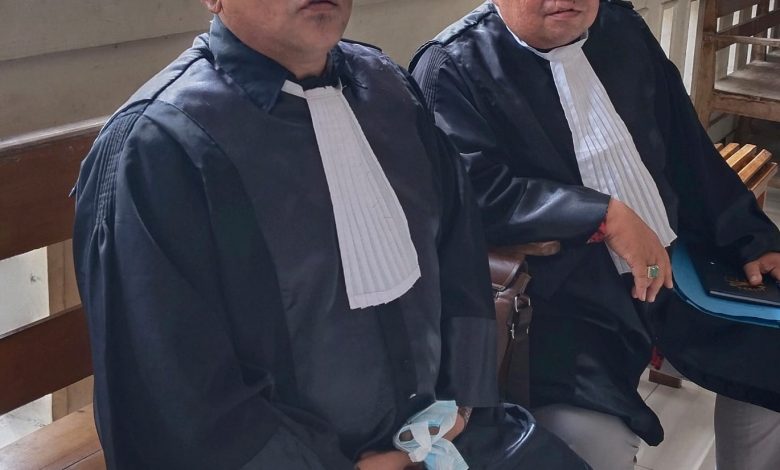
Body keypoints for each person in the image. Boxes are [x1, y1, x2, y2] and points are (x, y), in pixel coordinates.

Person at [72, 0, 592, 468]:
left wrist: (463, 406)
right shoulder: (160, 147)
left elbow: (457, 253)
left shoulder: (388, 88)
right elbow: (175, 397)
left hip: (445, 433)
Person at [410, 0, 780, 469]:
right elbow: (472, 194)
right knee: (594, 443)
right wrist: (601, 215)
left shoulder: (621, 27)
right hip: (565, 300)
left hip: (674, 269)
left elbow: (688, 148)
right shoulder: (450, 67)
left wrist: (751, 237)